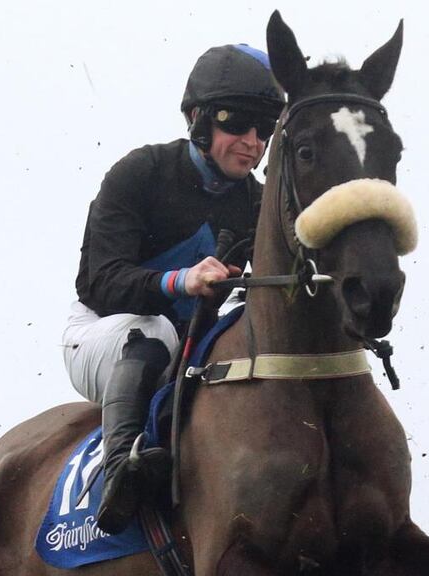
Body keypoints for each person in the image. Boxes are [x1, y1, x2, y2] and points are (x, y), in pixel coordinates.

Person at [62, 43, 285, 533]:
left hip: (189, 349)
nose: (252, 141)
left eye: (264, 129)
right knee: (155, 331)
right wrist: (180, 280)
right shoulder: (141, 173)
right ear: (199, 120)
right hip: (104, 334)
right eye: (238, 123)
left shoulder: (259, 203)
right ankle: (120, 473)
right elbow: (97, 281)